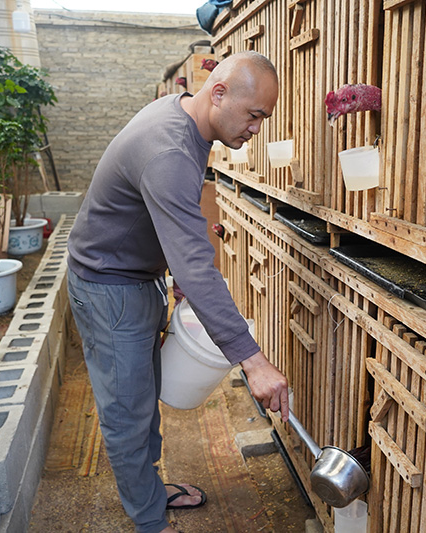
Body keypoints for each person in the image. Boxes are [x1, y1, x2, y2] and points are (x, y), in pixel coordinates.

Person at [66, 51, 290, 533]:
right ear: (220, 92)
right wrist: (253, 360)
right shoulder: (169, 150)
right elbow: (196, 261)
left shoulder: (185, 114)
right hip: (109, 287)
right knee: (127, 412)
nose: (257, 129)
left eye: (264, 119)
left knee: (140, 398)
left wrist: (176, 276)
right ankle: (150, 522)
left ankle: (147, 492)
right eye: (254, 116)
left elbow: (172, 220)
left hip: (133, 275)